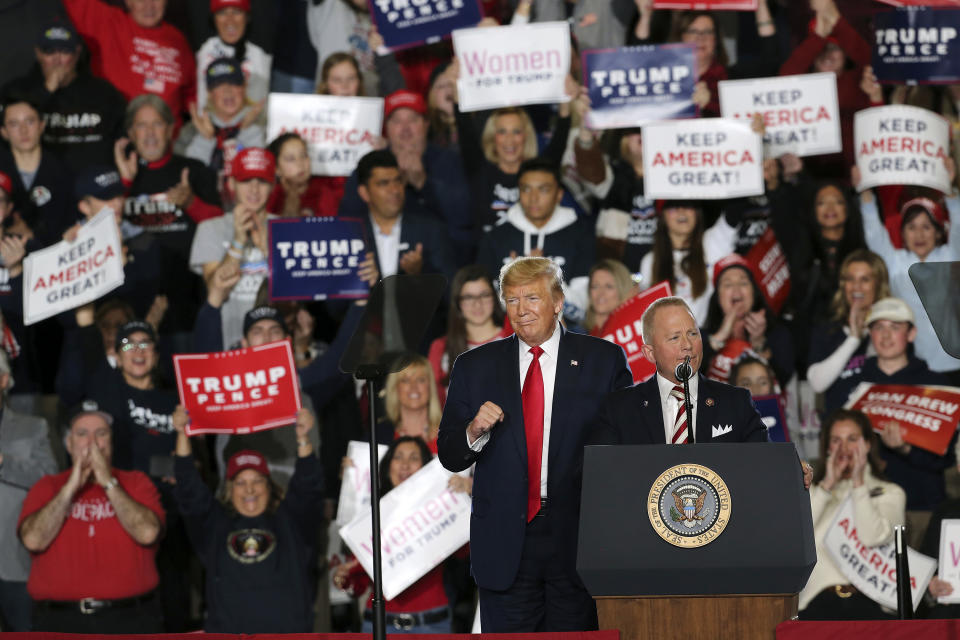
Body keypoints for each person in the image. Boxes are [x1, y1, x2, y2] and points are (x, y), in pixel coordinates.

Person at [437, 256, 633, 632]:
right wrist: (473, 430)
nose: (521, 310)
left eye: (532, 298)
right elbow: (449, 452)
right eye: (512, 300)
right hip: (505, 547)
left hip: (579, 545)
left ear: (558, 302)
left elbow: (624, 451)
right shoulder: (474, 366)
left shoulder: (603, 361)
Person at [172, 405, 324, 632]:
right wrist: (182, 434)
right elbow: (188, 489)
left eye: (257, 481)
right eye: (241, 483)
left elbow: (308, 487)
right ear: (229, 489)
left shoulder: (290, 522)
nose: (250, 489)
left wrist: (303, 437)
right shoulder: (215, 525)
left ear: (269, 486)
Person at [18, 401, 165, 632]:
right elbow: (34, 540)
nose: (93, 443)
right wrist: (70, 487)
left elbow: (147, 533)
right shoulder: (47, 486)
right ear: (69, 444)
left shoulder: (136, 482)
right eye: (82, 434)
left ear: (111, 443)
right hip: (60, 621)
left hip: (129, 618)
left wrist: (107, 481)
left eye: (101, 434)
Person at [829, 297, 951, 541]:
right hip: (863, 504)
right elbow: (832, 445)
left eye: (895, 327)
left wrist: (907, 448)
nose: (885, 335)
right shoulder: (852, 385)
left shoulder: (938, 386)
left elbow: (947, 456)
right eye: (878, 327)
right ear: (869, 333)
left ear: (911, 333)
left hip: (921, 505)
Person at [335, 436, 468, 633]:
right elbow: (359, 583)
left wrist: (467, 498)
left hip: (431, 626)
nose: (405, 464)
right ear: (387, 467)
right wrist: (344, 578)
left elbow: (466, 552)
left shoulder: (443, 508)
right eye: (398, 457)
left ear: (426, 467)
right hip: (379, 626)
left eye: (414, 458)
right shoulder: (370, 518)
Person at [593, 296, 768, 446]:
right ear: (650, 353)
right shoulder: (619, 409)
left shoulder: (737, 403)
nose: (688, 345)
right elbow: (600, 474)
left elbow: (764, 466)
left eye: (693, 334)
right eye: (674, 337)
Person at [116, 94, 222, 340]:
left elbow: (220, 226)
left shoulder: (194, 171)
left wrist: (191, 202)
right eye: (142, 125)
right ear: (131, 133)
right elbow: (99, 227)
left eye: (157, 124)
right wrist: (124, 184)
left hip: (188, 304)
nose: (150, 132)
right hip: (131, 306)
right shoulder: (119, 176)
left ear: (170, 129)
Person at [338, 90, 473, 260]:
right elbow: (348, 221)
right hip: (380, 259)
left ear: (426, 124)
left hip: (441, 258)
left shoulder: (449, 160)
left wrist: (423, 184)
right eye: (396, 121)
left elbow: (465, 216)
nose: (405, 129)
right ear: (386, 128)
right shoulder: (369, 165)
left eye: (413, 120)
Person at [799, 409, 905, 620]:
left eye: (852, 439)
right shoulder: (811, 493)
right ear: (828, 447)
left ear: (867, 444)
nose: (844, 448)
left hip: (872, 604)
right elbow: (795, 538)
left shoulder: (891, 492)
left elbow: (872, 538)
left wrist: (858, 484)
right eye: (836, 440)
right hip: (816, 606)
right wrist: (827, 485)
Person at [857, 170, 960, 377]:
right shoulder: (894, 261)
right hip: (913, 363)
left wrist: (950, 187)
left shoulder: (951, 255)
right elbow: (873, 231)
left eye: (926, 227)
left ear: (939, 232)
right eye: (911, 227)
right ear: (902, 233)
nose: (919, 234)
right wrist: (865, 190)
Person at [3, 22, 127, 172]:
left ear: (77, 52)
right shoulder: (16, 91)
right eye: (49, 51)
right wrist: (46, 91)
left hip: (94, 188)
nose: (57, 60)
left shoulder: (103, 92)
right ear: (38, 53)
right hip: (37, 186)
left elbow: (125, 136)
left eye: (64, 51)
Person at [62, 0, 196, 130]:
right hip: (118, 138)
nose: (149, 6)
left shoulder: (177, 40)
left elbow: (193, 95)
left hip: (170, 145)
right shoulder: (108, 22)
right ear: (127, 2)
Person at [190, 146, 275, 348]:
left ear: (273, 186)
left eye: (262, 181)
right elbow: (215, 291)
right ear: (231, 184)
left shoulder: (286, 228)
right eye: (246, 181)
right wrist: (237, 241)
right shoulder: (210, 229)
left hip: (274, 342)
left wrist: (269, 251)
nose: (254, 189)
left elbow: (294, 298)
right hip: (228, 341)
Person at [0, 351, 57, 631]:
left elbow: (50, 480)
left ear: (3, 379)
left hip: (17, 565)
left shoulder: (33, 427)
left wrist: (3, 463)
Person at [476, 157, 595, 285]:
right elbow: (485, 298)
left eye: (543, 190)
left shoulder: (581, 236)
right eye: (526, 189)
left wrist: (543, 280)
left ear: (559, 195)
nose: (533, 198)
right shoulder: (496, 238)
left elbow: (582, 299)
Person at [807, 249, 891, 415]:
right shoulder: (827, 328)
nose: (856, 287)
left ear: (878, 284)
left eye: (865, 279)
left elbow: (886, 377)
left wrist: (875, 325)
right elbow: (817, 384)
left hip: (878, 426)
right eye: (850, 279)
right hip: (837, 429)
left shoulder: (893, 327)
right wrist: (853, 339)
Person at [355, 149, 456, 280]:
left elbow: (451, 291)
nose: (395, 190)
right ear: (364, 193)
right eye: (384, 183)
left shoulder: (430, 231)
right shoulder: (351, 237)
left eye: (398, 181)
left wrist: (419, 273)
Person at [638, 199, 737, 325]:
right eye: (673, 206)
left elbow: (734, 211)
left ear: (697, 213)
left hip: (705, 338)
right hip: (665, 340)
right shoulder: (650, 261)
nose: (682, 211)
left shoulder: (711, 244)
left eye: (688, 205)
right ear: (662, 215)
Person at [701, 254, 794, 387]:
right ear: (718, 297)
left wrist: (759, 342)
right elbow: (685, 377)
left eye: (743, 283)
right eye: (727, 284)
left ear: (754, 293)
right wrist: (720, 337)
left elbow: (783, 378)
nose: (736, 289)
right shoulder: (699, 337)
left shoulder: (777, 333)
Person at [0, 92, 75, 248]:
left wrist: (32, 237)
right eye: (14, 124)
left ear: (42, 125)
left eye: (29, 122)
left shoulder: (64, 171)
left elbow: (71, 227)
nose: (23, 130)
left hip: (53, 262)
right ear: (4, 132)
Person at [428, 265, 509, 405]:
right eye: (469, 297)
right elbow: (435, 408)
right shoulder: (441, 348)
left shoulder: (515, 337)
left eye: (484, 295)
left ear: (495, 297)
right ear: (458, 303)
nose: (477, 304)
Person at [182, 58, 265, 181]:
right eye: (219, 85)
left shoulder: (263, 124)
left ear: (244, 88)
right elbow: (189, 177)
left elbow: (262, 175)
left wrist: (245, 131)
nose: (228, 91)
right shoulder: (192, 129)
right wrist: (206, 139)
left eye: (233, 83)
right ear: (209, 93)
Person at [195, 0, 272, 116]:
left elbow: (260, 109)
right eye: (222, 13)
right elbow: (202, 106)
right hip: (211, 128)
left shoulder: (259, 56)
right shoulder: (205, 52)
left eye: (237, 12)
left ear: (247, 17)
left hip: (252, 127)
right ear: (214, 19)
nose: (230, 20)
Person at [266, 132, 344, 217]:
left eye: (304, 155)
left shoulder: (328, 188)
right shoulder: (269, 197)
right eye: (291, 159)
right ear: (277, 169)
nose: (300, 163)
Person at [583, 259, 637, 336]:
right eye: (595, 286)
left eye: (609, 286)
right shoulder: (577, 333)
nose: (601, 293)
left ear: (624, 290)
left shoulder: (635, 333)